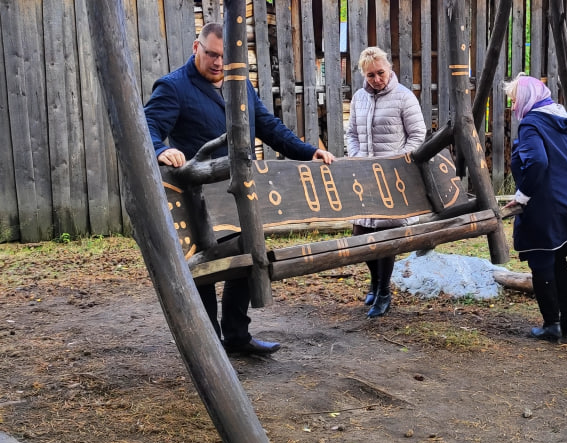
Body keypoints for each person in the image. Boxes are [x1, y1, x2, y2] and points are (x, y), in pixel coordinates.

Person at [145, 22, 335, 356]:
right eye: (212, 54)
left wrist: (309, 152)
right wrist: (161, 150)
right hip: (197, 201)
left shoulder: (239, 84)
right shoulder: (173, 87)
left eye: (225, 57)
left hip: (239, 195)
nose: (218, 62)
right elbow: (146, 127)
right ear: (196, 48)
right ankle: (208, 346)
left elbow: (269, 127)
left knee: (247, 256)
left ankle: (236, 335)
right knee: (202, 269)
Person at [503, 73, 567, 342]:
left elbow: (538, 162)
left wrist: (522, 196)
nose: (512, 106)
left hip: (544, 204)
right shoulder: (564, 120)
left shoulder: (531, 124)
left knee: (541, 260)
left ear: (526, 98)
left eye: (514, 99)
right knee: (558, 259)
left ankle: (552, 325)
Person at [345, 46, 427, 318]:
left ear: (389, 69)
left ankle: (384, 291)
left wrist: (399, 163)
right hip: (365, 178)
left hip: (392, 179)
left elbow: (417, 135)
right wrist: (358, 159)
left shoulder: (404, 98)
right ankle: (374, 281)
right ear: (363, 75)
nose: (376, 79)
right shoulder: (359, 98)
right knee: (361, 236)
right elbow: (352, 134)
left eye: (380, 73)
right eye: (370, 75)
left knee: (385, 237)